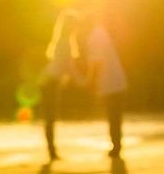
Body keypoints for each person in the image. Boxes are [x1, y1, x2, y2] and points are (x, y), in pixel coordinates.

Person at [78, 10, 128, 157]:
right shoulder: (99, 33)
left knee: (113, 115)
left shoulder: (95, 36)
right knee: (114, 116)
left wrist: (91, 82)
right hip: (112, 81)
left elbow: (96, 63)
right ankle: (116, 145)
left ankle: (116, 147)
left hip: (110, 82)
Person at [40, 9, 80, 161]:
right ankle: (52, 152)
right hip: (50, 82)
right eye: (74, 24)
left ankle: (52, 151)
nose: (76, 27)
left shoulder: (62, 41)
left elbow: (65, 69)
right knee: (50, 117)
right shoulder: (65, 43)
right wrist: (83, 81)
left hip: (50, 81)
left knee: (50, 117)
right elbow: (70, 68)